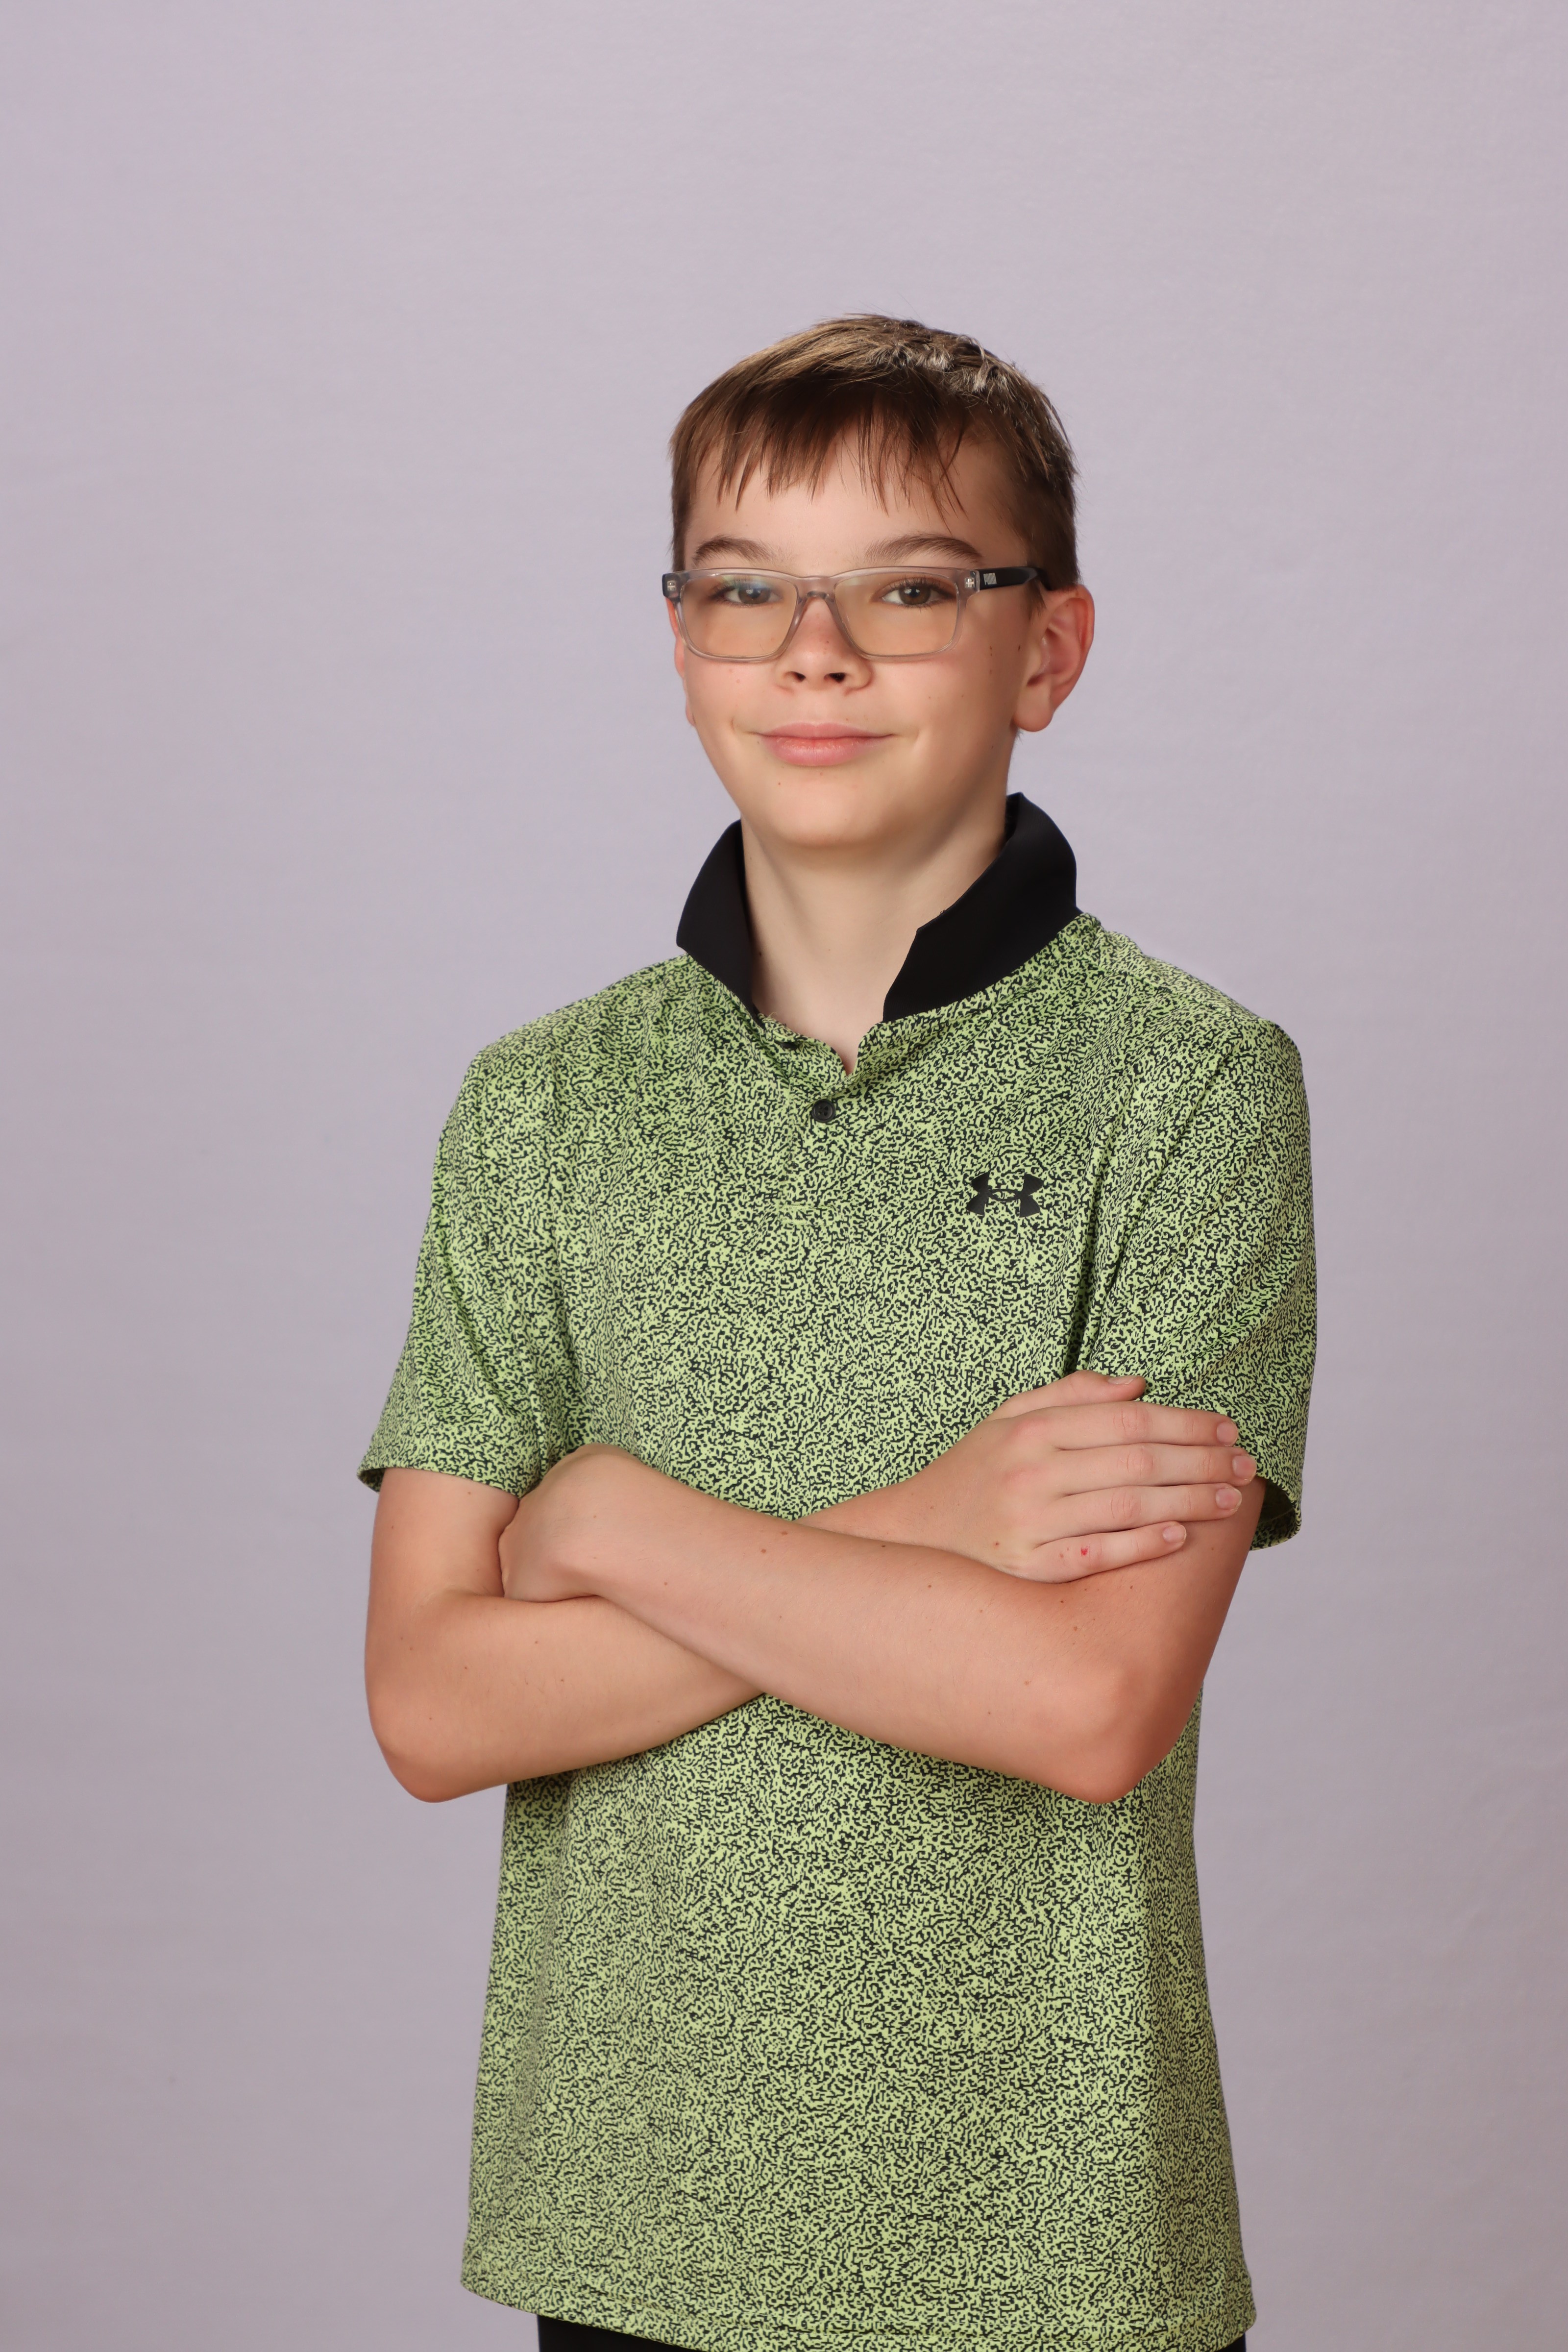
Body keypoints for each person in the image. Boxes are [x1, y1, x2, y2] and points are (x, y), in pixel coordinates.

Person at [359, 314, 1315, 2352]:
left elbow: (1083, 1704)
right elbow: (433, 1706)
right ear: (680, 638)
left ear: (1045, 649)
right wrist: (929, 1522)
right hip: (623, 2223)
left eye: (907, 590)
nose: (814, 654)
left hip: (1047, 2249)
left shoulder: (1188, 1089)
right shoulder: (541, 1107)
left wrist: (606, 1521)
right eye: (746, 591)